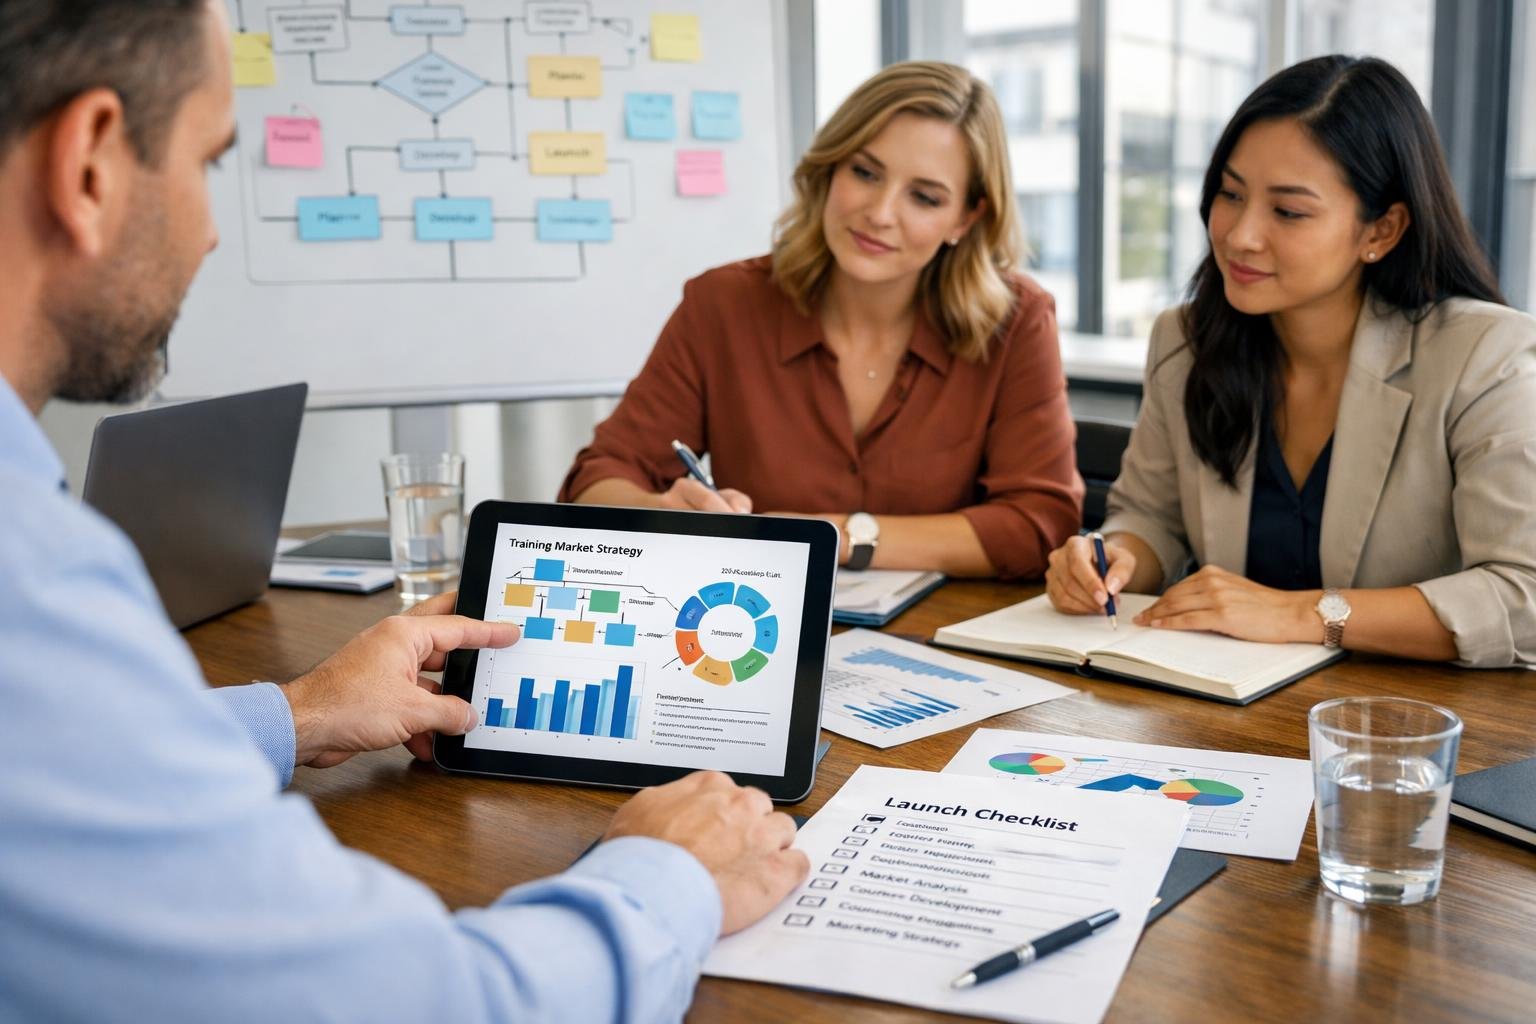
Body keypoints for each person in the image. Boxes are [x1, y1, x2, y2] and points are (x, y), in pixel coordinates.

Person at [0, 2, 806, 1019]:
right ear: (89, 164)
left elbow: (58, 763)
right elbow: (434, 1004)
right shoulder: (32, 581)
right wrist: (665, 874)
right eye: (210, 161)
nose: (210, 233)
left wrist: (297, 714)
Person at [1044, 55, 1536, 667]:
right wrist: (1113, 559)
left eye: (1288, 212)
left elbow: (1523, 596)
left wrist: (1302, 614)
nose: (1240, 235)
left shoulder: (1486, 355)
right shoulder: (1186, 340)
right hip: (1223, 701)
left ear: (1381, 231)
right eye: (1230, 194)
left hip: (1405, 713)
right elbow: (1151, 517)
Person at [558, 62, 1082, 579]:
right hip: (748, 619)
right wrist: (659, 513)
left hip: (947, 628)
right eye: (865, 173)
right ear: (830, 169)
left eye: (924, 197)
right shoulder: (724, 304)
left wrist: (836, 536)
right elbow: (596, 479)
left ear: (965, 218)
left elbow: (1040, 523)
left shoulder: (1017, 320)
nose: (880, 213)